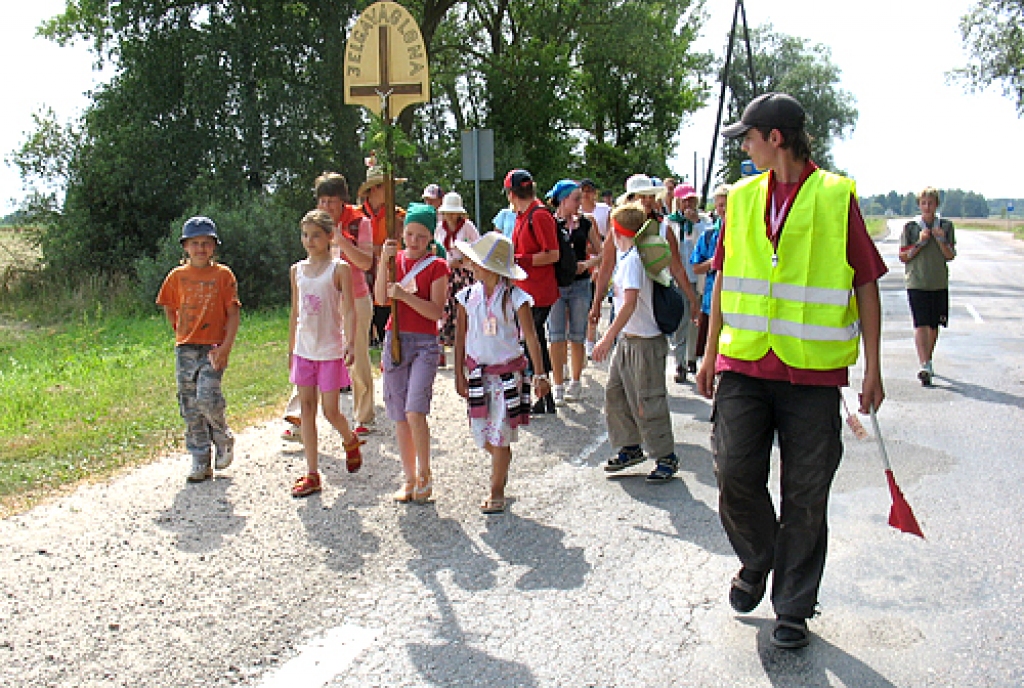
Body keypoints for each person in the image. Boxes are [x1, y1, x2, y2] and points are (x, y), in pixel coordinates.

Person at [695, 92, 886, 650]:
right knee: (732, 473)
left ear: (775, 138)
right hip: (745, 363)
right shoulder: (745, 197)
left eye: (748, 138)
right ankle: (760, 558)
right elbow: (725, 279)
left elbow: (866, 281)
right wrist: (709, 355)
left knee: (806, 494)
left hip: (812, 376)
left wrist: (873, 367)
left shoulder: (834, 196)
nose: (744, 149)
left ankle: (793, 607)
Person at [453, 233, 552, 513]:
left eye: (477, 262)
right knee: (482, 434)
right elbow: (460, 338)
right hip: (478, 375)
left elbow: (531, 336)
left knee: (500, 434)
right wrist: (460, 372)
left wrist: (540, 374)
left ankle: (496, 489)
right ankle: (502, 461)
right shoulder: (467, 297)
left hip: (508, 376)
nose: (472, 266)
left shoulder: (515, 298)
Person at [282, 172, 376, 442]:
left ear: (343, 201)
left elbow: (366, 262)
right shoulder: (316, 224)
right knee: (309, 351)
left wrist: (341, 240)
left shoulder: (360, 223)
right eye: (322, 201)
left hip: (354, 296)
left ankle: (364, 415)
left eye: (332, 202)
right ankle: (299, 415)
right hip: (322, 299)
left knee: (355, 355)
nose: (326, 207)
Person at [591, 203, 679, 481]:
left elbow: (628, 304)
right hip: (630, 339)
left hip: (644, 342)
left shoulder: (632, 261)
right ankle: (630, 446)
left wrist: (607, 337)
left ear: (617, 232)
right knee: (615, 393)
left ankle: (666, 456)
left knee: (648, 400)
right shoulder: (629, 256)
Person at [375, 203, 450, 503]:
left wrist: (405, 296)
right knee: (399, 415)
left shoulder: (436, 266)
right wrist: (383, 261)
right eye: (409, 234)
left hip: (424, 344)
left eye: (421, 235)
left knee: (414, 411)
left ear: (431, 237)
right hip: (395, 339)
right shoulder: (395, 260)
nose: (414, 241)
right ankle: (408, 478)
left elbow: (435, 311)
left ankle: (424, 473)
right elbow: (381, 298)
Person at [156, 217, 241, 482]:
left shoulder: (223, 276)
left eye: (206, 243)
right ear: (185, 247)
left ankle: (222, 435)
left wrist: (226, 347)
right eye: (195, 243)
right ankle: (199, 457)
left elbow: (233, 312)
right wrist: (180, 332)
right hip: (186, 347)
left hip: (214, 346)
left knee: (207, 396)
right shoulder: (177, 277)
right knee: (189, 403)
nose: (200, 249)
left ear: (214, 246)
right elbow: (169, 306)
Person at [287, 210, 365, 497]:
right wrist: (290, 348)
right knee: (306, 409)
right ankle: (312, 473)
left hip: (330, 350)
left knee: (330, 411)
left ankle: (350, 438)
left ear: (329, 237)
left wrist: (349, 342)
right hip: (304, 349)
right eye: (305, 235)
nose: (309, 241)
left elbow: (348, 307)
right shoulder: (297, 270)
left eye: (316, 235)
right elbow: (295, 311)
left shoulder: (338, 269)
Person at [589, 174, 699, 352]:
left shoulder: (664, 229)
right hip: (624, 305)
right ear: (630, 199)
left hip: (652, 307)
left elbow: (676, 268)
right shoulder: (616, 231)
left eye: (650, 196)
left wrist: (692, 300)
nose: (647, 201)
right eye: (642, 196)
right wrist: (596, 304)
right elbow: (606, 267)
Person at [507, 168, 561, 415]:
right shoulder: (524, 215)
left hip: (538, 290)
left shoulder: (538, 215)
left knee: (533, 342)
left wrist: (521, 260)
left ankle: (542, 394)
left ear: (511, 193)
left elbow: (552, 254)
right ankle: (544, 396)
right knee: (533, 341)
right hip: (527, 289)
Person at [546, 179, 602, 404]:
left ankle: (575, 382)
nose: (580, 203)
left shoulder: (586, 223)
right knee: (556, 336)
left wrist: (586, 265)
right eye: (576, 199)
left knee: (577, 336)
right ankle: (557, 384)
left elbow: (602, 252)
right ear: (563, 200)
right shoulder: (549, 223)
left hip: (580, 284)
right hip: (557, 284)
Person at [898, 187, 956, 386]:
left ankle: (928, 361)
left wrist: (940, 239)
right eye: (923, 203)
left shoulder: (946, 226)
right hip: (917, 282)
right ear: (919, 205)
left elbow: (950, 255)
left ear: (936, 204)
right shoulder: (911, 227)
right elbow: (903, 256)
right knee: (920, 323)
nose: (927, 206)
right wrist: (920, 243)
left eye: (930, 203)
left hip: (938, 282)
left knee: (934, 326)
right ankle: (924, 363)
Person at [359, 161, 407, 349]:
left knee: (386, 302)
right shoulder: (356, 216)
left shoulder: (398, 215)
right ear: (374, 189)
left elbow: (398, 244)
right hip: (362, 267)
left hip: (385, 267)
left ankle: (385, 337)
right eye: (387, 187)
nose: (391, 191)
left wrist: (375, 250)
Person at [666, 183, 707, 383]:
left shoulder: (704, 222)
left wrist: (696, 223)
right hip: (678, 279)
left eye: (692, 200)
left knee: (696, 321)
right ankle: (680, 363)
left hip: (698, 279)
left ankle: (692, 357)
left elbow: (705, 245)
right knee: (681, 321)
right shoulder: (670, 223)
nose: (688, 204)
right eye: (685, 200)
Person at [435, 191, 481, 365]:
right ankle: (442, 348)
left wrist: (462, 260)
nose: (451, 215)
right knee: (444, 309)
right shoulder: (440, 228)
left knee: (465, 310)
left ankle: (467, 351)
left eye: (453, 212)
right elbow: (436, 249)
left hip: (465, 274)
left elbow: (478, 248)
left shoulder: (468, 226)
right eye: (448, 212)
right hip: (446, 273)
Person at [690, 184, 729, 365]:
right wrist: (717, 260)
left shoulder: (746, 234)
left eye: (727, 205)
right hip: (711, 301)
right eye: (720, 205)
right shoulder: (709, 235)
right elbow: (696, 267)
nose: (723, 210)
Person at [580, 178, 610, 357]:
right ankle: (581, 340)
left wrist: (600, 264)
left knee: (593, 301)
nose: (586, 194)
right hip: (582, 260)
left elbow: (603, 240)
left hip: (600, 258)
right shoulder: (573, 213)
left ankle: (590, 340)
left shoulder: (603, 211)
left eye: (589, 190)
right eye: (583, 190)